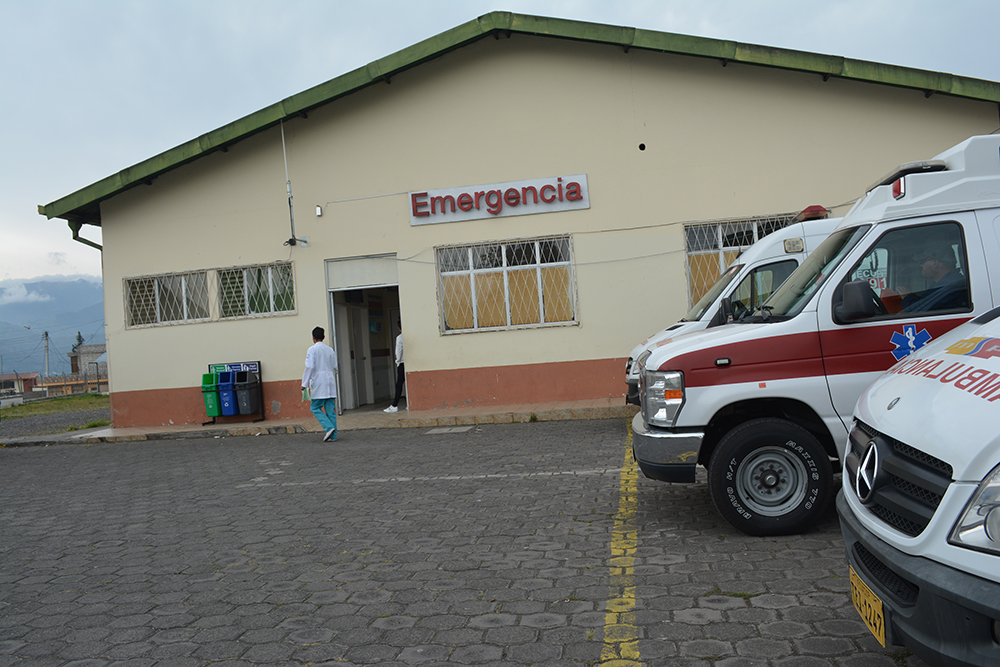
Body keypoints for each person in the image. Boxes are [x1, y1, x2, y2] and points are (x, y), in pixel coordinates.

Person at [900, 244, 968, 313]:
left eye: (922, 261)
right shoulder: (947, 283)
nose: (921, 265)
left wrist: (906, 297)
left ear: (935, 263)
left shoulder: (951, 286)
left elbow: (916, 311)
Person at [302, 326, 338, 441]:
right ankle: (334, 435)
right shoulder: (330, 350)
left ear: (313, 337)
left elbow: (310, 367)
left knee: (315, 407)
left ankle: (328, 428)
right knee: (330, 410)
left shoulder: (312, 350)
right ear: (324, 337)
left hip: (319, 381)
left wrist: (304, 383)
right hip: (330, 381)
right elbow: (335, 366)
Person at [384, 320, 405, 413]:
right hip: (410, 363)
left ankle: (394, 405)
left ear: (399, 328)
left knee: (399, 384)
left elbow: (398, 351)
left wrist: (397, 361)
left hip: (402, 363)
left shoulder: (400, 338)